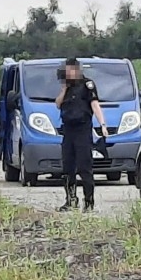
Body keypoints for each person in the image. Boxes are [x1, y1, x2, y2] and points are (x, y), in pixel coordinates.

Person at [55, 57, 108, 212]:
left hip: (83, 130)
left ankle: (89, 201)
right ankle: (71, 199)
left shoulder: (87, 85)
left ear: (77, 70)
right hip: (68, 131)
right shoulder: (67, 86)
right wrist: (64, 90)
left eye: (71, 69)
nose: (68, 72)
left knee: (84, 167)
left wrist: (102, 124)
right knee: (68, 167)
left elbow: (95, 104)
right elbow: (58, 104)